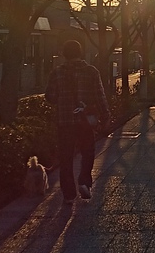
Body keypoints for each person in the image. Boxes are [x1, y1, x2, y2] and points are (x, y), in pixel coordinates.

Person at [45, 39, 110, 204]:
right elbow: (100, 96)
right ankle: (84, 182)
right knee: (87, 152)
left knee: (65, 157)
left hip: (64, 121)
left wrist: (62, 98)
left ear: (64, 54)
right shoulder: (91, 71)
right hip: (85, 120)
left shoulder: (57, 72)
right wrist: (105, 116)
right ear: (80, 52)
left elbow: (50, 97)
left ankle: (68, 194)